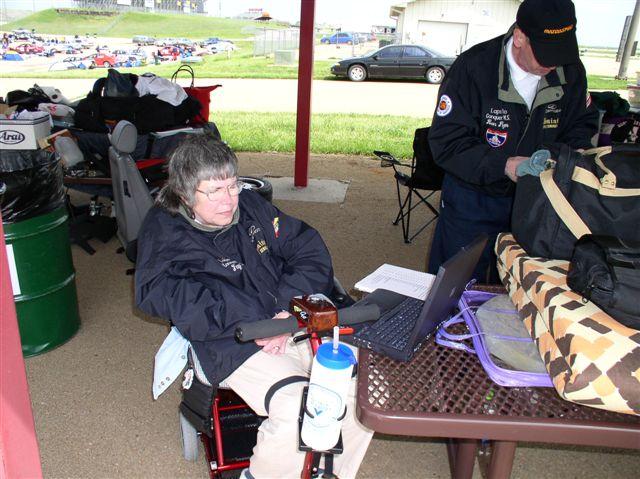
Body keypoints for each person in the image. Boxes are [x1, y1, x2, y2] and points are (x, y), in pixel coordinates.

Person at [135, 135, 372, 479]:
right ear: (185, 194)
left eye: (231, 186)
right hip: (231, 338)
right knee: (299, 408)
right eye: (213, 191)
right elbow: (162, 295)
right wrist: (255, 322)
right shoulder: (165, 231)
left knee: (365, 390)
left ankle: (330, 472)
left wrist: (285, 312)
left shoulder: (251, 206)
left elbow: (307, 248)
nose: (228, 200)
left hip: (289, 319)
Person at [427, 0, 599, 283]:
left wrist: (567, 155)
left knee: (519, 293)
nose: (553, 63)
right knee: (453, 290)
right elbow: (446, 142)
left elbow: (580, 124)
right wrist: (505, 165)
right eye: (545, 53)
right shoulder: (473, 68)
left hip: (538, 204)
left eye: (560, 52)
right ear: (519, 37)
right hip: (473, 201)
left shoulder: (571, 71)